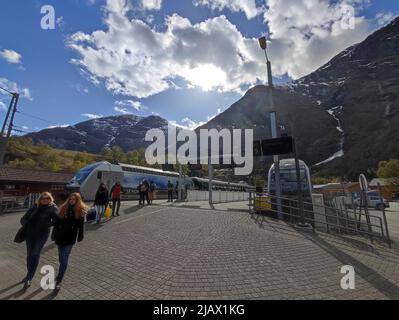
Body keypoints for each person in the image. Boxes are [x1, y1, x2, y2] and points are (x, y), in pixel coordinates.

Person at [20, 192, 58, 289]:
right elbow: (23, 218)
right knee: (29, 255)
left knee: (35, 254)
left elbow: (57, 220)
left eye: (47, 198)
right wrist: (26, 225)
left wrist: (47, 225)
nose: (45, 200)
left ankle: (29, 278)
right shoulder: (34, 207)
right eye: (43, 198)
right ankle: (28, 274)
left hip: (42, 235)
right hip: (30, 235)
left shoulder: (53, 208)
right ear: (40, 200)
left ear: (50, 199)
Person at [52, 193, 88, 290]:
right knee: (61, 258)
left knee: (64, 257)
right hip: (60, 237)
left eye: (74, 199)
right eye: (70, 199)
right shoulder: (63, 208)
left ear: (77, 201)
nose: (72, 201)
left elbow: (81, 226)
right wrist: (53, 234)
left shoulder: (80, 211)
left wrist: (80, 236)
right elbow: (57, 223)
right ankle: (61, 272)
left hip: (70, 238)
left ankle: (59, 280)